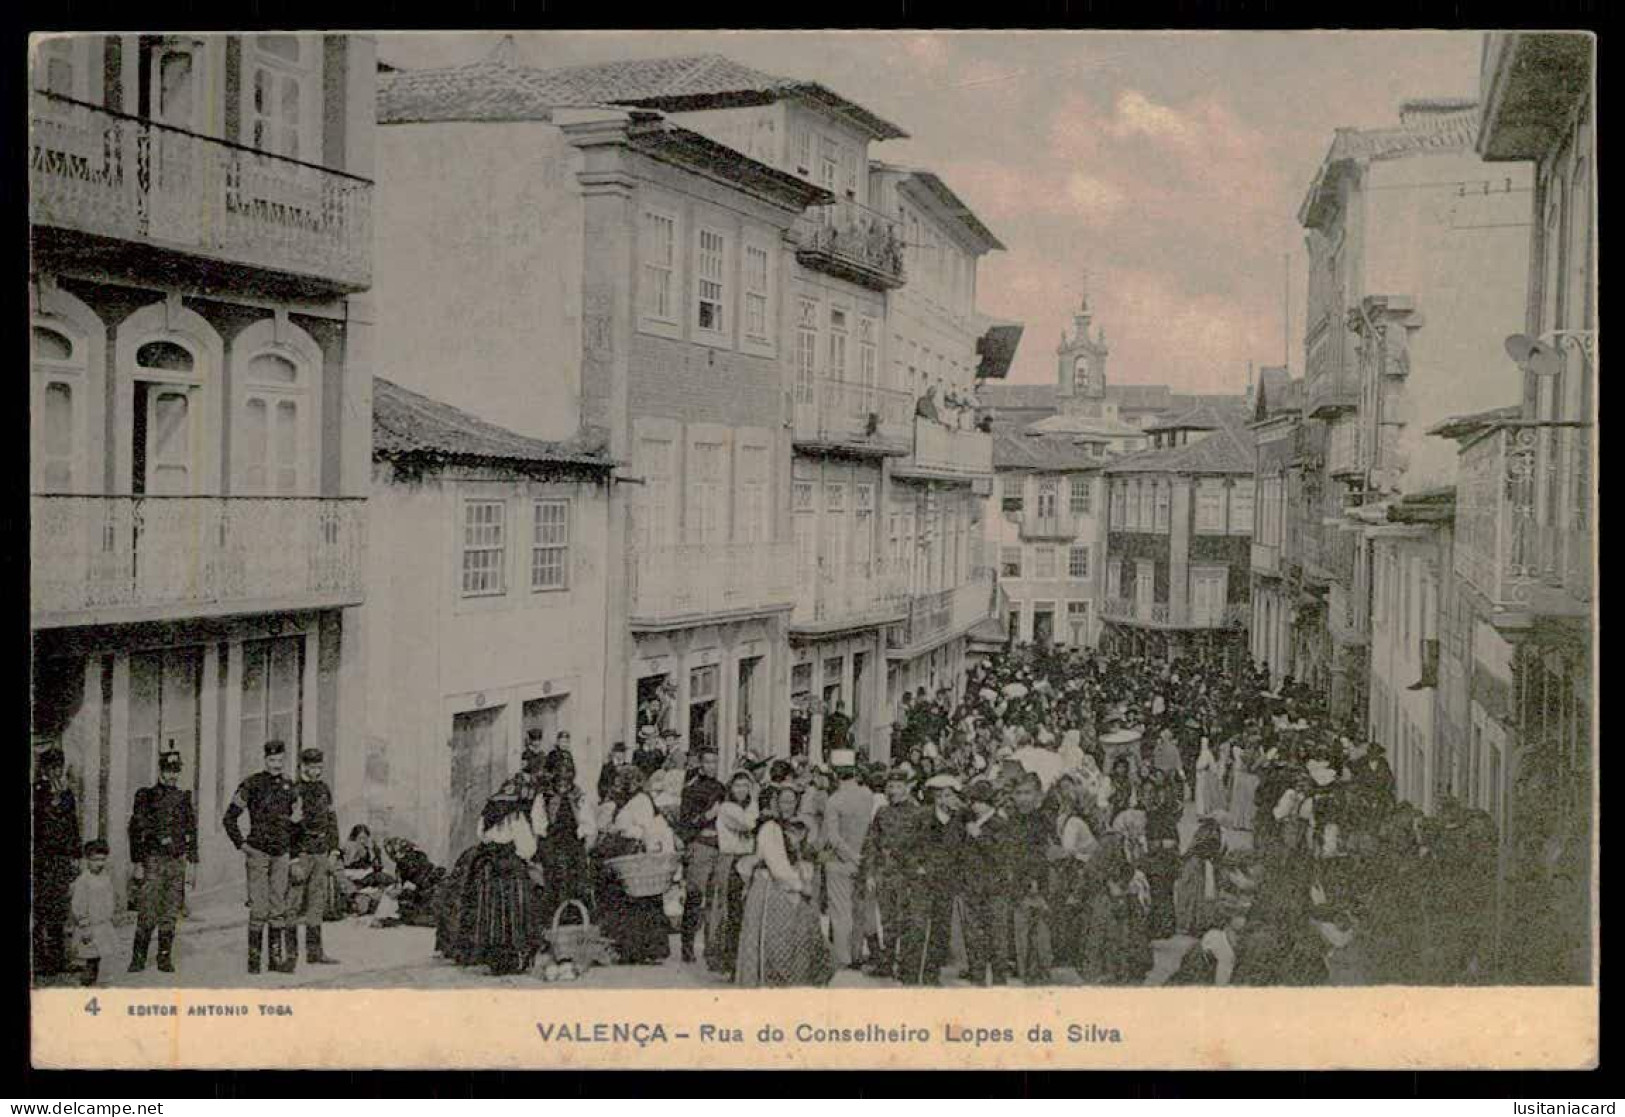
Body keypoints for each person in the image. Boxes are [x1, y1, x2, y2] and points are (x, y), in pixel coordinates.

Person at [445, 751, 548, 975]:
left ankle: (491, 956)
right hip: (511, 867)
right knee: (515, 912)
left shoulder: (489, 811)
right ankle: (513, 957)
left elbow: (480, 834)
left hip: (487, 866)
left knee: (489, 913)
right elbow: (527, 847)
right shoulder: (517, 817)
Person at [223, 739, 300, 974]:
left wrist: (292, 853)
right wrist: (242, 845)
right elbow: (229, 818)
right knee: (258, 908)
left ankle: (276, 961)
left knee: (278, 907)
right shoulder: (252, 784)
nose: (277, 764)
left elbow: (296, 823)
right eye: (272, 760)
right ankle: (254, 962)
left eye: (280, 760)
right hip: (258, 852)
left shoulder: (290, 786)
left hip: (281, 855)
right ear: (265, 760)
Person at [734, 813, 834, 987]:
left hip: (793, 883)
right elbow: (777, 867)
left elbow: (805, 857)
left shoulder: (802, 824)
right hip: (774, 886)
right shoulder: (771, 828)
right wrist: (799, 885)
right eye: (783, 800)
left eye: (792, 800)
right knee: (775, 938)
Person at [595, 765, 675, 965]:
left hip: (636, 856)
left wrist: (621, 830)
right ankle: (628, 949)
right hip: (623, 855)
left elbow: (646, 829)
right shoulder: (621, 802)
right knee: (627, 903)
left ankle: (644, 949)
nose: (624, 785)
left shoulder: (641, 801)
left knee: (641, 902)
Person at [126, 749, 197, 973]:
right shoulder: (146, 796)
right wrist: (137, 862)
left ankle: (164, 957)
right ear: (160, 770)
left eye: (176, 771)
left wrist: (193, 862)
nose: (172, 775)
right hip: (154, 860)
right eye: (168, 770)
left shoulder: (183, 798)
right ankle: (138, 958)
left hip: (177, 861)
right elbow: (135, 829)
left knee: (170, 911)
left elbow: (191, 830)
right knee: (148, 909)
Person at [857, 767, 926, 980]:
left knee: (906, 920)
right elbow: (871, 845)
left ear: (907, 788)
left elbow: (923, 847)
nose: (893, 790)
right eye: (890, 786)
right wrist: (869, 873)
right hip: (885, 874)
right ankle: (886, 963)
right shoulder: (882, 813)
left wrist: (917, 867)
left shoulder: (918, 814)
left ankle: (906, 967)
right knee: (886, 921)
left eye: (898, 786)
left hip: (907, 876)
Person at [821, 749, 874, 970]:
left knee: (840, 911)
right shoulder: (867, 795)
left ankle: (843, 957)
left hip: (839, 862)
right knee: (858, 909)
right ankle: (857, 953)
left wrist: (850, 857)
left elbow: (833, 837)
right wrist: (860, 858)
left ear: (835, 773)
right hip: (862, 859)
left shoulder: (834, 800)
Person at [289, 748, 342, 965]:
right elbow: (288, 828)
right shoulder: (294, 791)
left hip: (321, 851)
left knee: (317, 903)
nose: (315, 770)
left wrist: (334, 851)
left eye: (319, 766)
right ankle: (290, 954)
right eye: (311, 766)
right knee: (293, 902)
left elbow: (332, 821)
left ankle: (315, 953)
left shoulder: (323, 789)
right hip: (302, 851)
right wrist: (293, 859)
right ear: (302, 766)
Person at [32, 747, 80, 978]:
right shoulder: (37, 793)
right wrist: (52, 799)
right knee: (42, 911)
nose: (56, 772)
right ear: (44, 770)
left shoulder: (68, 795)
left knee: (60, 911)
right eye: (52, 768)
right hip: (42, 861)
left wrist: (76, 856)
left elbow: (72, 825)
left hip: (61, 860)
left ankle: (60, 960)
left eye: (59, 768)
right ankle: (41, 961)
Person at [960, 779, 1012, 985]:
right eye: (972, 801)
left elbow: (1001, 855)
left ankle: (999, 980)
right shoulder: (973, 824)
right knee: (974, 936)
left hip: (993, 889)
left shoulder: (999, 824)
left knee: (997, 936)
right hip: (972, 887)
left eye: (977, 801)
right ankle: (977, 975)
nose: (973, 805)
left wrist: (979, 836)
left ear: (987, 803)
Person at [677, 749, 726, 964]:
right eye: (708, 762)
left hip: (720, 846)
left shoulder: (722, 788)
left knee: (715, 900)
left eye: (715, 762)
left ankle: (711, 947)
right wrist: (707, 816)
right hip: (701, 846)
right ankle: (687, 946)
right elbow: (685, 823)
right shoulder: (691, 790)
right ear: (700, 764)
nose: (712, 766)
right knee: (695, 896)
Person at [708, 771, 759, 977]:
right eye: (738, 786)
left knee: (745, 912)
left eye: (746, 786)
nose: (742, 790)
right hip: (731, 861)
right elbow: (749, 824)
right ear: (731, 788)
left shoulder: (744, 808)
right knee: (732, 911)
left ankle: (741, 961)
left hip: (746, 860)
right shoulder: (728, 808)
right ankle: (728, 961)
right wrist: (755, 799)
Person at [536, 748, 595, 925]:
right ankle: (554, 926)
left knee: (577, 885)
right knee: (554, 885)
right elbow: (538, 823)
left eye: (567, 778)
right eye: (559, 778)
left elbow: (588, 822)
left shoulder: (578, 795)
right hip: (552, 845)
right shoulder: (544, 796)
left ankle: (577, 925)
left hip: (573, 845)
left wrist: (583, 837)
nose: (563, 784)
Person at [68, 840, 117, 987]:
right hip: (90, 926)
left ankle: (96, 983)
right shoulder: (83, 881)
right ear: (87, 860)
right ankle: (87, 986)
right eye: (95, 860)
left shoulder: (106, 878)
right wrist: (84, 926)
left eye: (103, 859)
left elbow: (109, 899)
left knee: (100, 957)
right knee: (90, 958)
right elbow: (78, 905)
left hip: (103, 925)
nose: (100, 863)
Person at [1173, 817, 1226, 938]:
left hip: (1196, 864)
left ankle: (1190, 923)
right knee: (1196, 895)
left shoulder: (1203, 833)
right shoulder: (1214, 834)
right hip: (1197, 865)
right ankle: (1194, 923)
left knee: (1193, 895)